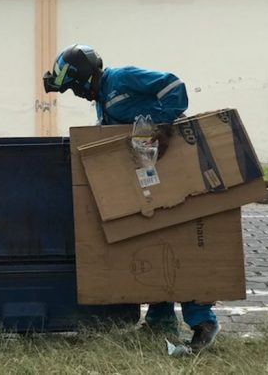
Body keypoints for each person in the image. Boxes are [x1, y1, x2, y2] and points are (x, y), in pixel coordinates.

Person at [42, 44, 220, 351]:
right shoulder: (102, 101)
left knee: (176, 243)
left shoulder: (122, 79)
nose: (77, 94)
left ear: (85, 77)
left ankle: (203, 321)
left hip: (173, 170)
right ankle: (159, 320)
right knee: (151, 244)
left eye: (73, 87)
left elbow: (173, 85)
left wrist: (162, 122)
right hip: (148, 176)